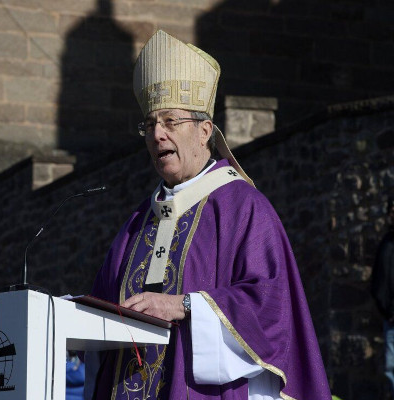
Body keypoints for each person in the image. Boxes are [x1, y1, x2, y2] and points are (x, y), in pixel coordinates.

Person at [86, 30, 331, 399]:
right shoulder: (138, 223)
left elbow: (271, 309)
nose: (157, 135)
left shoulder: (243, 208)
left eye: (170, 121)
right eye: (149, 125)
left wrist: (184, 305)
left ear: (204, 132)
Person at [371, 197, 394, 395]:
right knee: (391, 368)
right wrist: (388, 311)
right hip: (391, 319)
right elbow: (379, 281)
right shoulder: (386, 244)